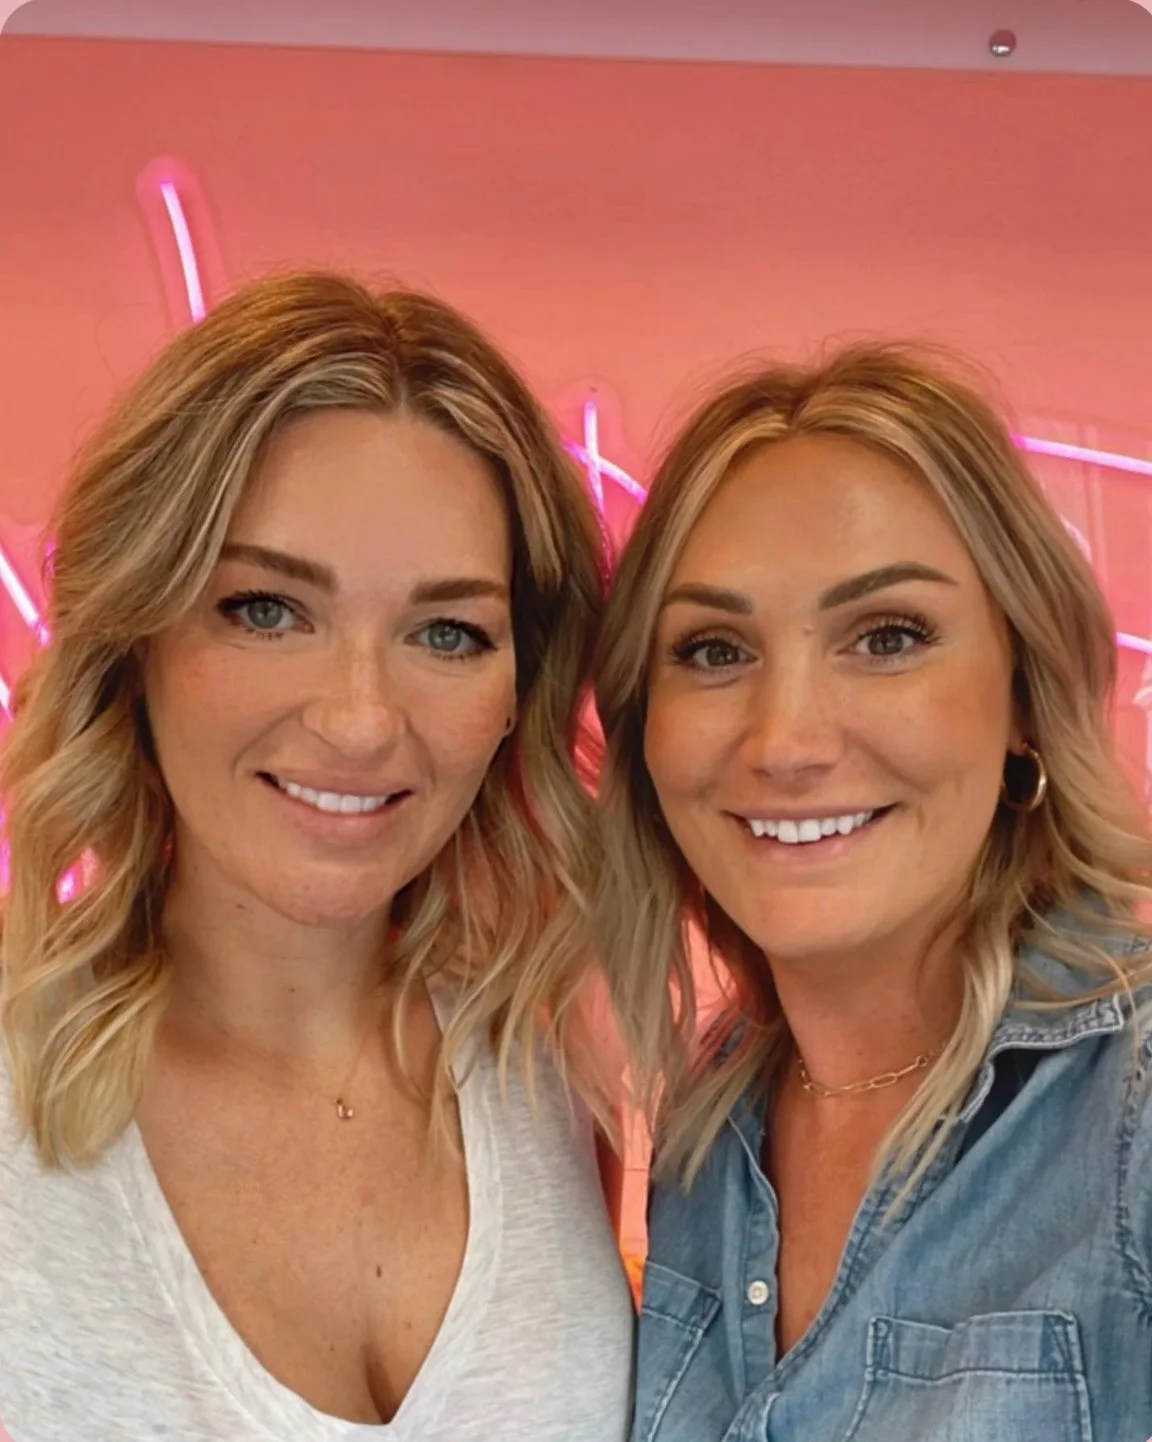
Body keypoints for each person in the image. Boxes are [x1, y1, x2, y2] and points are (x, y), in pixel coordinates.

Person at [0, 271, 634, 1440]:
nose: (358, 718)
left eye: (447, 631)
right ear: (136, 639)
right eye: (266, 608)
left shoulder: (544, 1076)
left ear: (515, 696)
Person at [594, 343, 1152, 1442]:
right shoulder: (707, 1127)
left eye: (887, 636)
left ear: (1025, 696)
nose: (787, 738)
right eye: (713, 648)